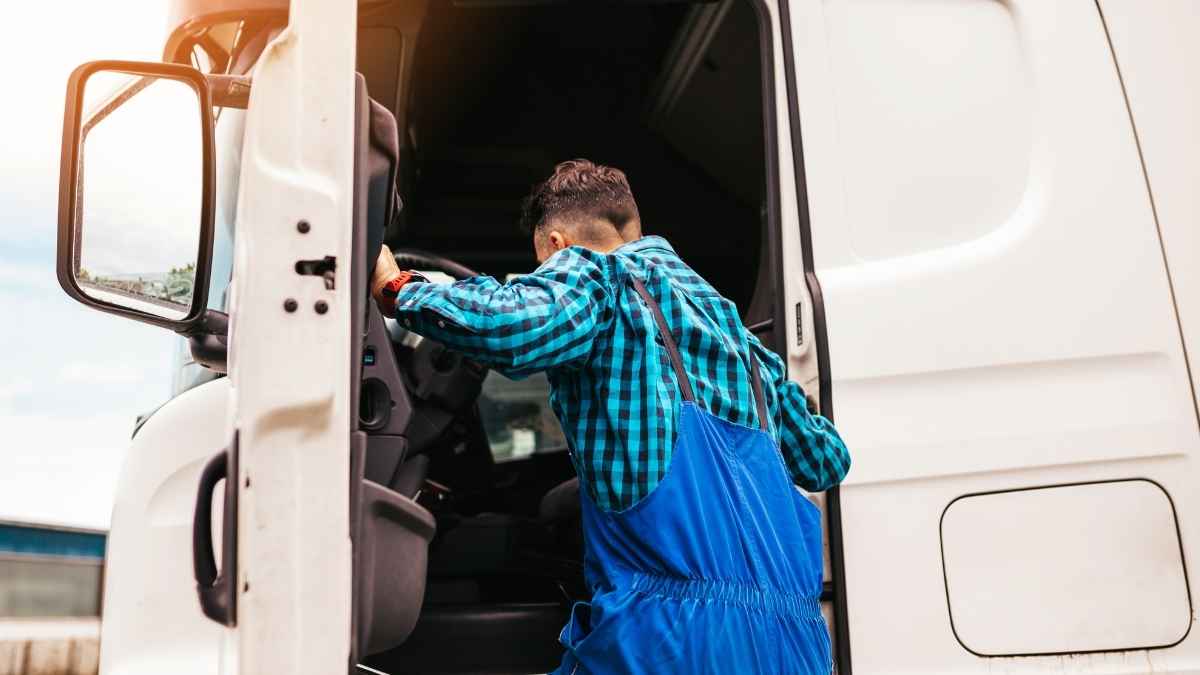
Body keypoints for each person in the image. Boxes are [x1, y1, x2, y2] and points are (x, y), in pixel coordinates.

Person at [371, 159, 850, 674]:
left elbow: (513, 326)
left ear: (556, 244)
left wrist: (397, 288)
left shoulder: (596, 274)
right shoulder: (736, 331)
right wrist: (783, 401)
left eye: (542, 268)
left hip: (672, 639)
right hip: (794, 640)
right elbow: (825, 459)